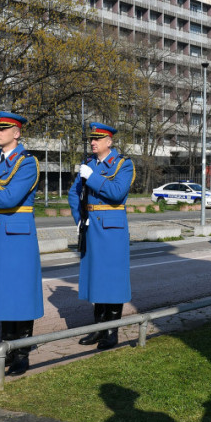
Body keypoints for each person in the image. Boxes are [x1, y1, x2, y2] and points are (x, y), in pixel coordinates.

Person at [0, 111, 42, 376]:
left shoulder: (26, 163)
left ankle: (21, 354)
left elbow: (11, 198)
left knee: (20, 294)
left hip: (18, 235)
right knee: (4, 293)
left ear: (17, 133)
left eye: (3, 129)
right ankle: (7, 351)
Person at [67, 122, 134, 350]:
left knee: (111, 279)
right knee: (96, 278)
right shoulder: (88, 164)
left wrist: (93, 177)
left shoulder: (124, 165)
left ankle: (111, 332)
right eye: (91, 139)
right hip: (91, 226)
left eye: (97, 139)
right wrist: (79, 218)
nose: (92, 143)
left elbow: (117, 193)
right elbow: (74, 194)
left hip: (112, 227)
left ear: (109, 142)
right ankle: (97, 329)